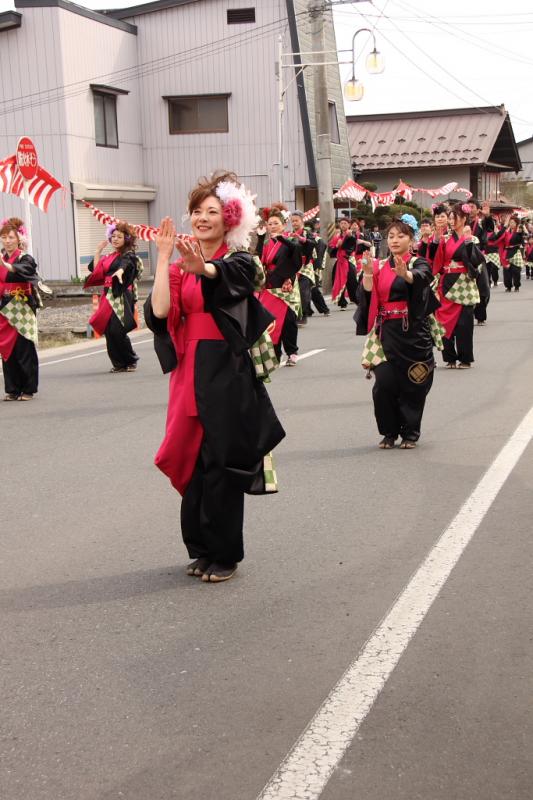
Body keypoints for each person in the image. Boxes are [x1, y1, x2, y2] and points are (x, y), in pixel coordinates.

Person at [145, 171, 285, 583]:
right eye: (197, 212)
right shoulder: (181, 262)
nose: (202, 219)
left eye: (212, 212)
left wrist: (204, 268)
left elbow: (239, 279)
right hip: (188, 368)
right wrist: (164, 260)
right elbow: (158, 314)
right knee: (190, 458)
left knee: (220, 460)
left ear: (229, 220)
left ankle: (225, 554)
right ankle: (201, 548)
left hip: (225, 369)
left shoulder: (238, 260)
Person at [355, 218, 438, 449]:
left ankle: (410, 433)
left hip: (413, 333)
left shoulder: (418, 262)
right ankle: (389, 432)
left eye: (400, 236)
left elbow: (423, 277)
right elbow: (365, 298)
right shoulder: (379, 265)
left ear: (411, 240)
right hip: (385, 334)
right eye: (391, 236)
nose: (394, 240)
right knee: (384, 385)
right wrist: (368, 275)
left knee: (414, 383)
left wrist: (407, 275)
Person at [430, 202, 485, 369]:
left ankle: (465, 358)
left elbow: (476, 262)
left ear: (465, 218)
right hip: (446, 282)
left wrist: (468, 243)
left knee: (464, 324)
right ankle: (450, 357)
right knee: (444, 322)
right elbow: (435, 261)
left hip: (464, 282)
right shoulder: (445, 239)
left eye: (455, 218)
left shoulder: (472, 238)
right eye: (451, 218)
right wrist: (435, 241)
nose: (452, 221)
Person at [84, 221, 142, 372]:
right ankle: (118, 363)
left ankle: (130, 360)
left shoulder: (128, 255)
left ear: (126, 239)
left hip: (121, 293)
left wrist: (121, 271)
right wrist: (97, 251)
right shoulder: (109, 256)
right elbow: (96, 270)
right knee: (108, 330)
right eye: (113, 236)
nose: (115, 239)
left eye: (119, 236)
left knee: (118, 329)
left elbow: (127, 264)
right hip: (108, 294)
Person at [256, 204, 301, 365]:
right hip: (269, 284)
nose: (272, 226)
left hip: (285, 284)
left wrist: (289, 277)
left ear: (283, 224)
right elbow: (258, 258)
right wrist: (260, 239)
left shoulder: (290, 240)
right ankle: (275, 352)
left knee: (288, 320)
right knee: (271, 321)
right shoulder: (267, 243)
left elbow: (296, 258)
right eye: (270, 224)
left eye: (276, 223)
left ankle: (292, 351)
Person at [0, 217, 40, 401]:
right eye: (4, 237)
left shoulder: (25, 258)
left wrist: (7, 265)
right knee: (7, 348)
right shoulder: (1, 257)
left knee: (24, 348)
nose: (7, 241)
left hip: (21, 305)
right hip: (4, 306)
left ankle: (28, 388)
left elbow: (26, 270)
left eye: (10, 237)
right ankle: (13, 388)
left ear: (18, 239)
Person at [290, 210, 318, 326]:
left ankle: (303, 315)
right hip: (294, 266)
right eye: (292, 221)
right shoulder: (290, 233)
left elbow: (313, 244)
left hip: (305, 266)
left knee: (303, 291)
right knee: (294, 293)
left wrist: (302, 239)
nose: (294, 223)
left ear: (302, 220)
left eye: (296, 221)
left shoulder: (307, 232)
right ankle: (296, 315)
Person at [329, 217, 358, 308]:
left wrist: (345, 241)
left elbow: (352, 246)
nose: (343, 225)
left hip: (348, 260)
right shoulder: (336, 236)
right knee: (336, 280)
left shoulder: (351, 234)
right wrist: (337, 246)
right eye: (341, 223)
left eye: (345, 223)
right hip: (339, 262)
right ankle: (342, 302)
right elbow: (331, 250)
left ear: (349, 225)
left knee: (352, 281)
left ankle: (357, 300)